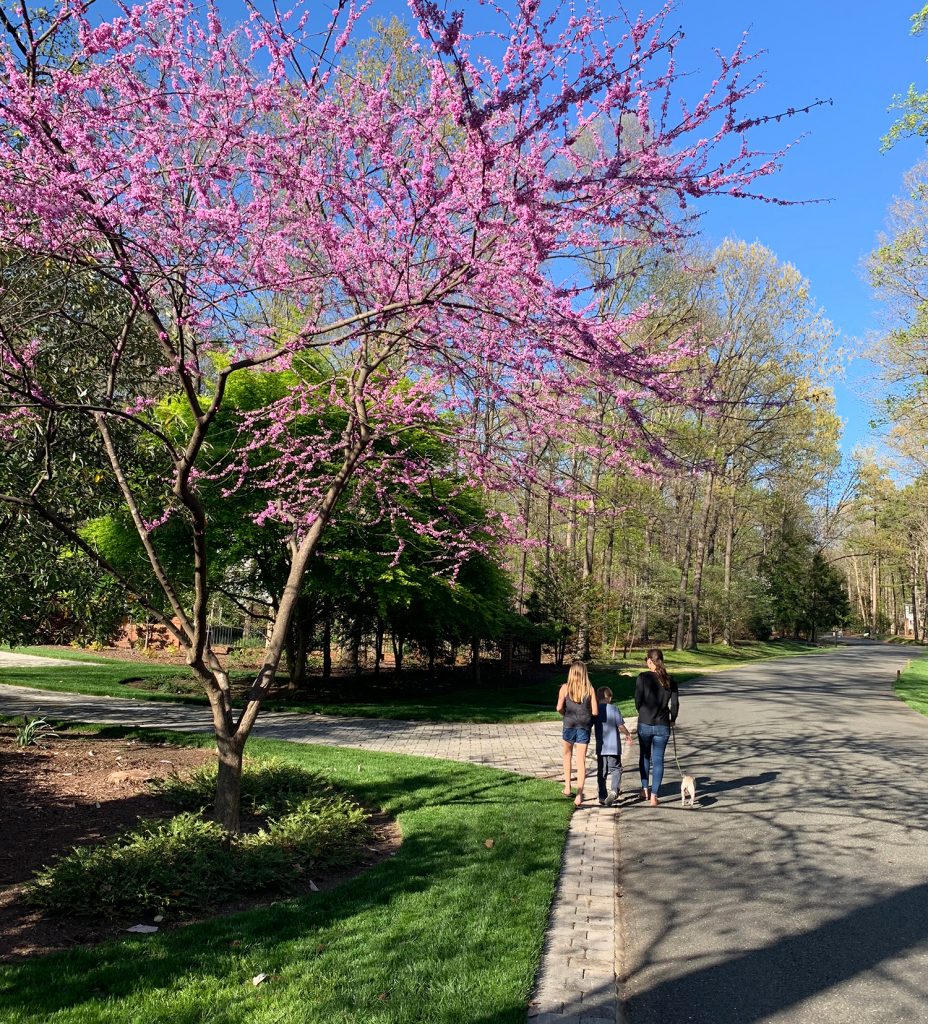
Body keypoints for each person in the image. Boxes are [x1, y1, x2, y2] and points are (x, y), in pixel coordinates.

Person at [634, 648, 679, 806]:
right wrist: (673, 719)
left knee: (644, 756)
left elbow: (637, 700)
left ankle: (645, 789)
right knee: (658, 760)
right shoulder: (670, 680)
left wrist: (642, 712)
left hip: (645, 723)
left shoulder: (642, 678)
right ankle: (654, 796)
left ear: (649, 661)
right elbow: (674, 704)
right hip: (662, 725)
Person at [556, 661, 598, 807]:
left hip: (569, 725)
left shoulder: (565, 688)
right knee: (581, 761)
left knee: (567, 755)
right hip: (584, 727)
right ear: (585, 673)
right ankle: (579, 795)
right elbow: (595, 712)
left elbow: (559, 707)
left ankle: (567, 787)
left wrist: (564, 714)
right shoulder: (590, 689)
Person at [594, 686, 633, 806]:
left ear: (598, 698)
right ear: (609, 698)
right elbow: (620, 726)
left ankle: (602, 795)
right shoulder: (614, 709)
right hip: (613, 747)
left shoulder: (595, 711)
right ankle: (614, 791)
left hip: (601, 747)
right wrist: (627, 734)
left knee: (602, 771)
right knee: (616, 769)